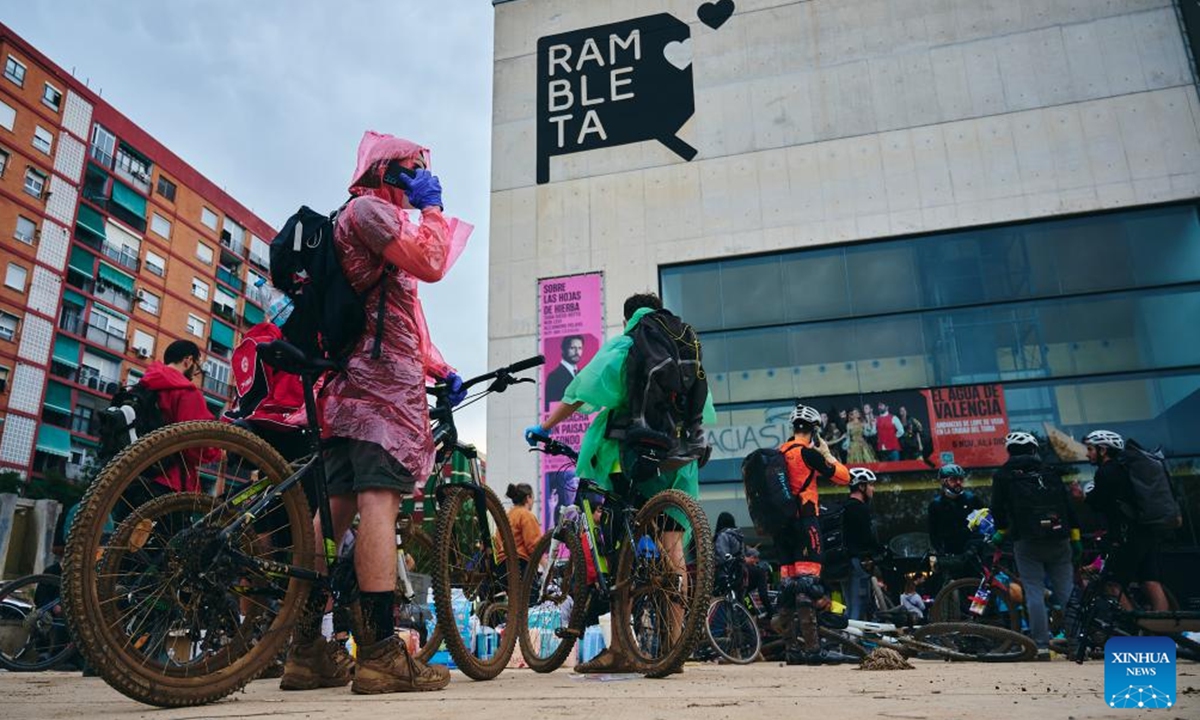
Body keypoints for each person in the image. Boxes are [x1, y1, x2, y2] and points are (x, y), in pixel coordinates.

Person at [282, 131, 471, 695]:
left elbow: (396, 314)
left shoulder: (354, 220)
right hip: (379, 392)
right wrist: (433, 206)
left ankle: (306, 649)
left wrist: (438, 368)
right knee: (378, 502)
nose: (417, 180)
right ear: (388, 173)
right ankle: (384, 652)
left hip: (348, 388)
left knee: (334, 511)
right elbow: (433, 262)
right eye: (410, 171)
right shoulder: (368, 211)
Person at [524, 292, 715, 674]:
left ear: (630, 317)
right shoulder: (684, 347)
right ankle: (674, 647)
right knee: (673, 550)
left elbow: (581, 390)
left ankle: (620, 648)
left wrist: (543, 427)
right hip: (679, 459)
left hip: (631, 458)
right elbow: (704, 408)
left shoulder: (630, 343)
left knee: (616, 549)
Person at [989, 431, 1080, 658]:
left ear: (1009, 451)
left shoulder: (1003, 475)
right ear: (1033, 449)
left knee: (1033, 593)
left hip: (1026, 540)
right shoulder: (1049, 471)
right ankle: (1078, 644)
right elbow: (1068, 506)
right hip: (1060, 539)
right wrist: (1076, 538)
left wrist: (1001, 533)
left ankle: (1040, 646)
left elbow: (998, 508)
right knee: (1067, 592)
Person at [776, 403, 853, 664]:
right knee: (808, 583)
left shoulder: (779, 453)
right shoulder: (807, 453)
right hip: (805, 521)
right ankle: (813, 650)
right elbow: (844, 477)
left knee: (788, 584)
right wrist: (827, 454)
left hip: (782, 528)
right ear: (813, 430)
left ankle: (791, 651)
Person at [1076, 430, 1168, 612]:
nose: (1087, 454)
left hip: (1125, 536)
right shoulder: (1128, 469)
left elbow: (1098, 504)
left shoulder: (1106, 472)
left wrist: (1082, 497)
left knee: (1112, 584)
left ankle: (1133, 629)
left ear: (1103, 450)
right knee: (1150, 582)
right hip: (1145, 532)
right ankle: (1164, 632)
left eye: (1090, 449)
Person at [130, 340, 218, 500]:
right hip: (171, 481)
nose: (194, 374)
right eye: (197, 368)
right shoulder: (186, 392)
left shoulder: (143, 386)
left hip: (132, 475)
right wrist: (219, 451)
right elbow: (195, 442)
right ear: (188, 360)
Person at [841, 467, 882, 621]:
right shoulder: (860, 509)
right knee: (858, 605)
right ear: (861, 486)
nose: (873, 489)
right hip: (858, 563)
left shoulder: (843, 507)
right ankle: (852, 642)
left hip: (843, 564)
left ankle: (846, 640)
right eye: (870, 485)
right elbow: (867, 538)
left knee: (850, 604)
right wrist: (880, 550)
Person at [927, 464, 984, 557]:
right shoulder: (936, 505)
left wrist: (976, 546)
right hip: (949, 552)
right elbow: (933, 533)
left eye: (961, 479)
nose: (958, 482)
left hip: (973, 551)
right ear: (944, 481)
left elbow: (983, 524)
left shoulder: (972, 499)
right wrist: (940, 552)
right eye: (953, 479)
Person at [500, 482, 543, 577]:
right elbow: (534, 546)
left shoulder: (507, 516)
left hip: (502, 566)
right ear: (528, 498)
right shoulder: (526, 515)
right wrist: (546, 564)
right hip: (521, 565)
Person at [544, 335, 584, 410]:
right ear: (563, 350)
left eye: (580, 348)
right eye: (572, 348)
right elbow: (550, 408)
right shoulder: (554, 377)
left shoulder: (582, 375)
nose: (577, 352)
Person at [713, 511, 746, 593]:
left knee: (722, 598)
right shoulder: (738, 536)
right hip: (738, 572)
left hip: (725, 573)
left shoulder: (723, 535)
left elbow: (722, 556)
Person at [744, 547, 774, 620]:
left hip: (730, 595)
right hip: (743, 594)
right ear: (752, 558)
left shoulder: (738, 565)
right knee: (752, 614)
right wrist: (770, 611)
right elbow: (763, 595)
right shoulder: (759, 571)